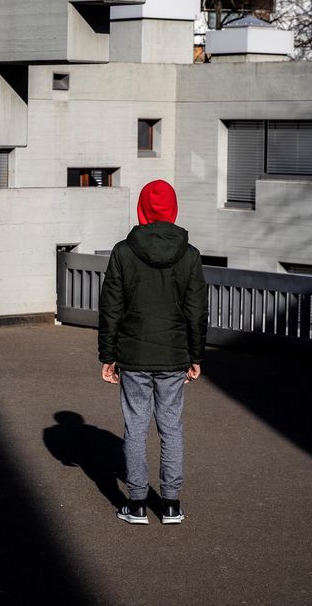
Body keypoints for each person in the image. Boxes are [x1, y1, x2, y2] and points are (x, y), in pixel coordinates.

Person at [98, 179, 208, 525]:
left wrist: (108, 356)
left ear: (142, 208)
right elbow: (196, 311)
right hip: (174, 355)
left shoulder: (123, 252)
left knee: (135, 427)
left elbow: (111, 308)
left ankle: (136, 505)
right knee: (171, 427)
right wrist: (195, 356)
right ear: (173, 209)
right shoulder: (190, 255)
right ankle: (171, 504)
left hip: (133, 354)